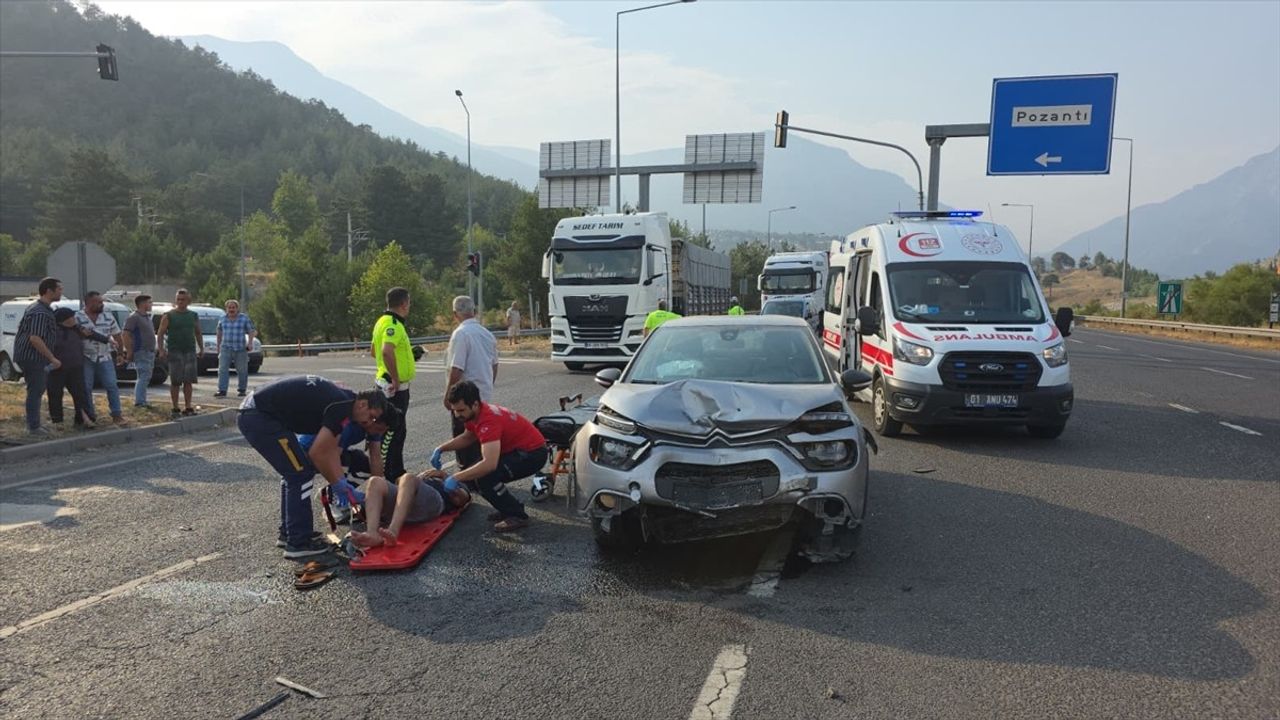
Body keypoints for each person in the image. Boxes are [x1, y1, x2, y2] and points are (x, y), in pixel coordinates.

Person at [237, 375, 389, 558]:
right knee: (299, 475)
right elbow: (318, 453)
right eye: (371, 417)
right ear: (363, 404)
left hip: (257, 412)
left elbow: (330, 451)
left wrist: (339, 482)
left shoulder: (344, 402)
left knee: (294, 474)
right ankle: (299, 542)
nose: (369, 423)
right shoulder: (342, 407)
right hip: (259, 416)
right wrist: (339, 485)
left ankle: (290, 534)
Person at [426, 380, 547, 532]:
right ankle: (507, 507)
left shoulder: (488, 421)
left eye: (461, 410)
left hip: (532, 454)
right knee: (475, 472)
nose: (457, 415)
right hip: (521, 450)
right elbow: (468, 437)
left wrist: (456, 477)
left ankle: (517, 515)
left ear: (475, 404)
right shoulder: (475, 414)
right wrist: (441, 448)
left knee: (484, 476)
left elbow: (489, 464)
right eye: (454, 410)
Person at [444, 295, 498, 471]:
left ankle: (467, 474)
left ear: (455, 314)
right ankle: (480, 471)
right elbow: (494, 366)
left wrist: (448, 396)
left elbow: (457, 369)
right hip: (484, 394)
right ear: (473, 311)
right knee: (481, 435)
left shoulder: (460, 334)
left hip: (464, 398)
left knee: (464, 436)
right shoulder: (487, 334)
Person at [351, 473, 471, 548]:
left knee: (408, 477)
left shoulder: (451, 480)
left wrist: (445, 477)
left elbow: (462, 500)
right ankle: (372, 533)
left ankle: (393, 530)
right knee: (375, 481)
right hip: (402, 507)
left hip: (432, 505)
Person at [371, 287, 415, 474]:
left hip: (383, 383)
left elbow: (374, 350)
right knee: (394, 434)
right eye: (409, 303)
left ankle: (394, 471)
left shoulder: (381, 321)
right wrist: (396, 378)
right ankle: (391, 474)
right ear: (404, 304)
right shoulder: (394, 325)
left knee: (394, 431)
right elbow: (386, 351)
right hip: (394, 388)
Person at [13, 277, 63, 435]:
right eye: (59, 289)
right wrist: (51, 358)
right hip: (33, 357)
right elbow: (35, 338)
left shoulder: (41, 308)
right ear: (49, 291)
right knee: (36, 390)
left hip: (34, 357)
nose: (61, 291)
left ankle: (35, 424)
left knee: (37, 389)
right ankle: (33, 427)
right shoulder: (40, 311)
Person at [48, 307, 107, 428]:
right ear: (64, 320)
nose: (74, 319)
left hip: (76, 367)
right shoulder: (52, 331)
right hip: (57, 368)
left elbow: (92, 334)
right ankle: (57, 422)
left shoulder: (77, 329)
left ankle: (83, 419)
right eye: (71, 317)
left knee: (80, 394)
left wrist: (107, 340)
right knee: (55, 394)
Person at [76, 291, 125, 426]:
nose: (101, 304)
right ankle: (90, 416)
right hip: (86, 357)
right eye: (98, 302)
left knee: (111, 385)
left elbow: (117, 335)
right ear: (89, 303)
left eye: (102, 302)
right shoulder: (78, 317)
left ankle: (117, 415)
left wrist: (120, 353)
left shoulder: (108, 316)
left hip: (105, 356)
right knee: (86, 387)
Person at [156, 289, 202, 417]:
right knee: (175, 381)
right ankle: (175, 407)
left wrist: (201, 348)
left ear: (188, 301)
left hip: (190, 350)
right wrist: (161, 349)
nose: (180, 302)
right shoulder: (168, 315)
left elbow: (198, 332)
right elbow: (160, 333)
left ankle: (188, 407)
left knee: (189, 380)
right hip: (174, 351)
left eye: (183, 299)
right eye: (178, 299)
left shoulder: (193, 315)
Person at [214, 299, 257, 398]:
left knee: (242, 370)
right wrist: (218, 346)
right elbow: (219, 332)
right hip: (226, 347)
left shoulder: (244, 318)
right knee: (222, 369)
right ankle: (222, 390)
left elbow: (251, 331)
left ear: (237, 309)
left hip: (240, 348)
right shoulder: (222, 318)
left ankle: (242, 390)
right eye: (229, 307)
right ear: (226, 309)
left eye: (233, 307)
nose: (231, 309)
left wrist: (250, 343)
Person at [122, 294, 157, 408]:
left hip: (149, 351)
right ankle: (139, 402)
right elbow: (126, 334)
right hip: (141, 350)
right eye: (150, 302)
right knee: (144, 375)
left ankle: (142, 400)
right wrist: (129, 350)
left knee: (146, 376)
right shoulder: (134, 317)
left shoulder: (146, 317)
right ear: (143, 304)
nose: (151, 305)